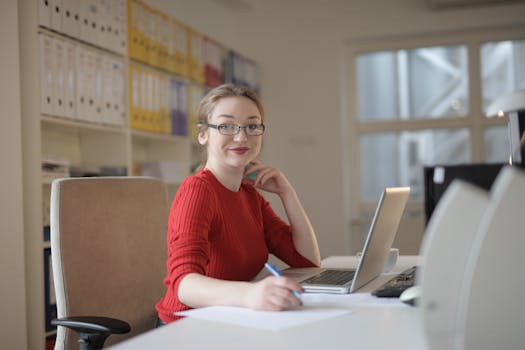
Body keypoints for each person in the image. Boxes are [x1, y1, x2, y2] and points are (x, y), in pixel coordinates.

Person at [155, 84, 321, 324]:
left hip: (229, 319)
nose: (242, 136)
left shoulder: (250, 196)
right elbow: (184, 285)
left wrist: (287, 192)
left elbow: (307, 261)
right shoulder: (198, 191)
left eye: (252, 126)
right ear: (203, 134)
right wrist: (250, 293)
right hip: (185, 327)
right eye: (226, 126)